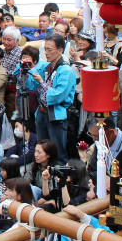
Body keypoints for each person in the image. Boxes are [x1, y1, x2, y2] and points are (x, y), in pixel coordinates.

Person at [32, 35, 75, 164]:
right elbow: (30, 83)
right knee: (41, 149)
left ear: (60, 50)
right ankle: (43, 176)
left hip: (56, 115)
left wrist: (41, 82)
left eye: (50, 50)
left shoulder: (66, 70)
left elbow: (57, 96)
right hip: (42, 112)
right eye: (45, 49)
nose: (46, 53)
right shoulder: (46, 66)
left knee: (57, 152)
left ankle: (58, 180)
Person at [85, 116, 122, 183]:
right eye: (92, 135)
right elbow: (91, 170)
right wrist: (103, 178)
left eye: (97, 137)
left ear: (111, 132)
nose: (94, 140)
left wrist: (110, 182)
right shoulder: (100, 142)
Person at [30, 139, 58, 204]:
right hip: (34, 197)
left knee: (34, 189)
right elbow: (26, 181)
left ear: (48, 155)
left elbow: (52, 194)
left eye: (39, 152)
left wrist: (35, 205)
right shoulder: (33, 166)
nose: (35, 155)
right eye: (35, 151)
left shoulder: (55, 169)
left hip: (48, 198)